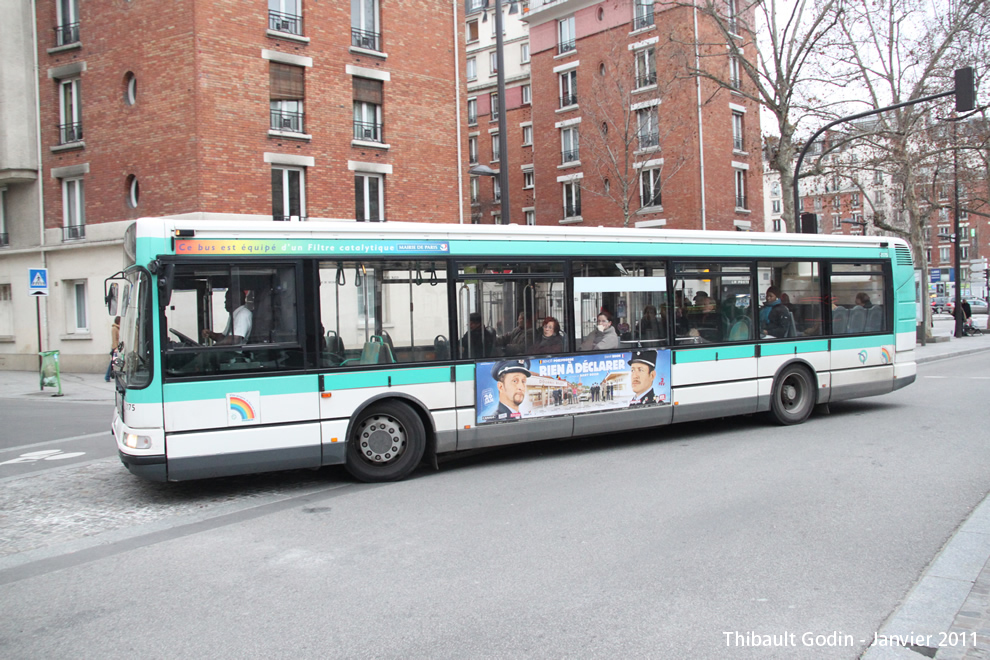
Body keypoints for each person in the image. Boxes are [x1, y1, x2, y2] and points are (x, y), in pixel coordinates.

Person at [105, 316, 120, 382]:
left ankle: (108, 376)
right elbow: (114, 339)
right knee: (113, 362)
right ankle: (107, 376)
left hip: (117, 347)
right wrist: (115, 348)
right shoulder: (114, 328)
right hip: (115, 348)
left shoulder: (118, 328)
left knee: (113, 362)